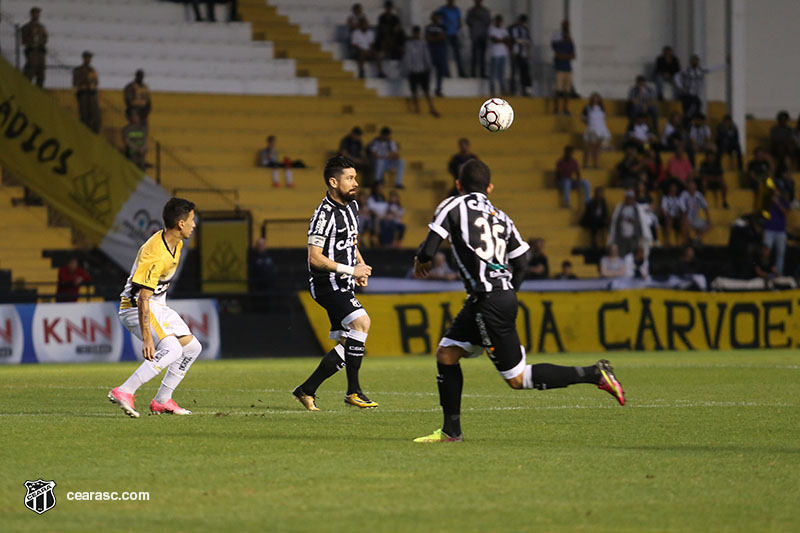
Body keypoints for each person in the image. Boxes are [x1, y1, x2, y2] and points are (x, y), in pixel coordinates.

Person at [411, 159, 624, 442]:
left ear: (458, 185)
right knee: (447, 354)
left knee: (517, 378)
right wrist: (510, 291)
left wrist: (421, 260)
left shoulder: (452, 205)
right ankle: (451, 432)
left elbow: (428, 249)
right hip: (493, 297)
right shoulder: (502, 216)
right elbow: (522, 260)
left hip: (487, 301)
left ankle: (594, 373)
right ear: (489, 187)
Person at [293, 157, 376, 411]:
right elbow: (314, 257)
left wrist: (359, 266)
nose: (356, 183)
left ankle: (306, 390)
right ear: (333, 182)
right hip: (327, 284)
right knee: (362, 323)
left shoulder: (351, 207)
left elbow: (350, 242)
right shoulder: (323, 215)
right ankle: (354, 391)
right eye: (350, 178)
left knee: (347, 343)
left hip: (344, 282)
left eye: (355, 177)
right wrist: (351, 269)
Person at [108, 198, 201, 418]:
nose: (194, 224)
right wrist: (148, 338)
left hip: (158, 304)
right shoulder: (156, 253)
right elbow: (142, 298)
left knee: (192, 348)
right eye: (192, 219)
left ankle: (162, 400)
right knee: (172, 349)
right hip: (135, 307)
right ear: (180, 223)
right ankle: (125, 390)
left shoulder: (176, 243)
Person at [403, 26, 440, 118]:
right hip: (413, 71)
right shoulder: (409, 44)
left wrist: (428, 66)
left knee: (426, 91)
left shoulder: (423, 43)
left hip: (422, 70)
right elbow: (408, 57)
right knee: (414, 91)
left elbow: (426, 55)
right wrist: (408, 68)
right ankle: (417, 108)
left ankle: (431, 107)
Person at [608, 189, 650, 256]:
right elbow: (614, 220)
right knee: (622, 255)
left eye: (631, 198)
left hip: (634, 238)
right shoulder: (620, 207)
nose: (629, 200)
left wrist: (634, 221)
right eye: (628, 198)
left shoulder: (637, 208)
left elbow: (642, 222)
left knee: (633, 256)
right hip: (622, 238)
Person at [73, 51, 101, 134]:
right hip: (83, 94)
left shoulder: (93, 70)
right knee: (84, 115)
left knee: (95, 116)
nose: (89, 60)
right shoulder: (78, 70)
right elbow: (75, 82)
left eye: (90, 58)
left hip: (92, 94)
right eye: (87, 58)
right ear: (84, 58)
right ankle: (83, 132)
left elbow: (96, 82)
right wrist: (85, 80)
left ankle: (92, 132)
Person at [551, 20, 575, 115]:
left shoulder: (570, 41)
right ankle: (556, 108)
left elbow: (573, 55)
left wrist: (563, 56)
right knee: (558, 90)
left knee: (567, 92)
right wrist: (566, 56)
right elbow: (557, 55)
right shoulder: (558, 39)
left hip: (567, 68)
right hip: (560, 68)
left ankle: (565, 108)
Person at [436, 0, 465, 78]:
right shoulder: (443, 9)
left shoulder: (456, 9)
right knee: (445, 54)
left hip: (455, 34)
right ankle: (446, 72)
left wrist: (459, 30)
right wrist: (441, 26)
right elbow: (435, 15)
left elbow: (459, 21)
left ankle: (461, 72)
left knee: (457, 54)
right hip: (446, 34)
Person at [763, 189, 789, 275]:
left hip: (781, 231)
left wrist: (778, 203)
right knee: (766, 252)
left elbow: (785, 212)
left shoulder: (783, 201)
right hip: (769, 229)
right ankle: (766, 273)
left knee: (780, 254)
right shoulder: (767, 201)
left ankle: (778, 274)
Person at [581, 92, 610, 168]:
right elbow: (583, 118)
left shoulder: (602, 109)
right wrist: (589, 123)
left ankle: (596, 163)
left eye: (597, 97)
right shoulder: (587, 108)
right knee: (590, 147)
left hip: (601, 129)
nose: (596, 99)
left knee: (597, 148)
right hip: (592, 129)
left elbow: (602, 119)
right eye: (594, 97)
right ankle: (585, 163)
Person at [21, 7, 48, 88]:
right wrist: (31, 37)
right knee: (30, 73)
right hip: (32, 52)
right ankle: (25, 90)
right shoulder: (26, 27)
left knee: (41, 75)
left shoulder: (42, 27)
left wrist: (41, 43)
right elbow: (24, 40)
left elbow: (45, 38)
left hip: (40, 53)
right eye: (36, 13)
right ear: (32, 14)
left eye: (38, 13)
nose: (37, 15)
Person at [676, 54, 706, 123]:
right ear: (691, 62)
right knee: (691, 106)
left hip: (694, 95)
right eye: (694, 61)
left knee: (698, 104)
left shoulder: (700, 71)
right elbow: (676, 77)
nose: (696, 63)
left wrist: (725, 64)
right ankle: (687, 120)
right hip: (686, 95)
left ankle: (693, 119)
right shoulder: (686, 71)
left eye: (697, 61)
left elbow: (712, 68)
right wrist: (681, 87)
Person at [508, 14, 532, 96]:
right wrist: (512, 51)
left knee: (524, 72)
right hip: (516, 53)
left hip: (523, 54)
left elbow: (528, 42)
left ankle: (525, 89)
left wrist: (528, 53)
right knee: (514, 72)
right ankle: (513, 90)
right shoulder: (514, 29)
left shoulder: (525, 30)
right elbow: (513, 40)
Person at [425, 12, 448, 97]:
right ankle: (427, 89)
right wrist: (437, 39)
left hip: (440, 52)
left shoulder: (442, 27)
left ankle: (438, 89)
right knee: (429, 72)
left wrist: (433, 39)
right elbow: (428, 38)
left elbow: (443, 37)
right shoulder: (429, 27)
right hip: (431, 52)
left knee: (440, 73)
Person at [465, 0, 490, 78]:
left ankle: (482, 73)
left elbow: (488, 21)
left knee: (482, 56)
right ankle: (473, 73)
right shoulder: (471, 11)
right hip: (475, 36)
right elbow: (468, 21)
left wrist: (480, 17)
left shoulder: (485, 11)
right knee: (474, 56)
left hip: (483, 36)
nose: (478, 2)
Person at [487, 15, 509, 95]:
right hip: (495, 54)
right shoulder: (492, 29)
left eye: (500, 21)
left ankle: (503, 90)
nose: (498, 22)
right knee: (493, 73)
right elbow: (494, 40)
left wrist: (500, 40)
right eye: (497, 21)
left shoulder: (504, 30)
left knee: (502, 73)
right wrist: (502, 40)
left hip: (503, 54)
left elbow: (507, 40)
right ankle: (492, 90)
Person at [660, 182, 684, 246]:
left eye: (675, 188)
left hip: (676, 217)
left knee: (683, 222)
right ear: (669, 189)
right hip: (667, 217)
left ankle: (681, 242)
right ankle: (667, 242)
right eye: (672, 188)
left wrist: (682, 217)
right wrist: (667, 216)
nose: (674, 189)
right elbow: (663, 209)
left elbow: (682, 209)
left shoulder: (678, 199)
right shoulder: (665, 198)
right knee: (669, 221)